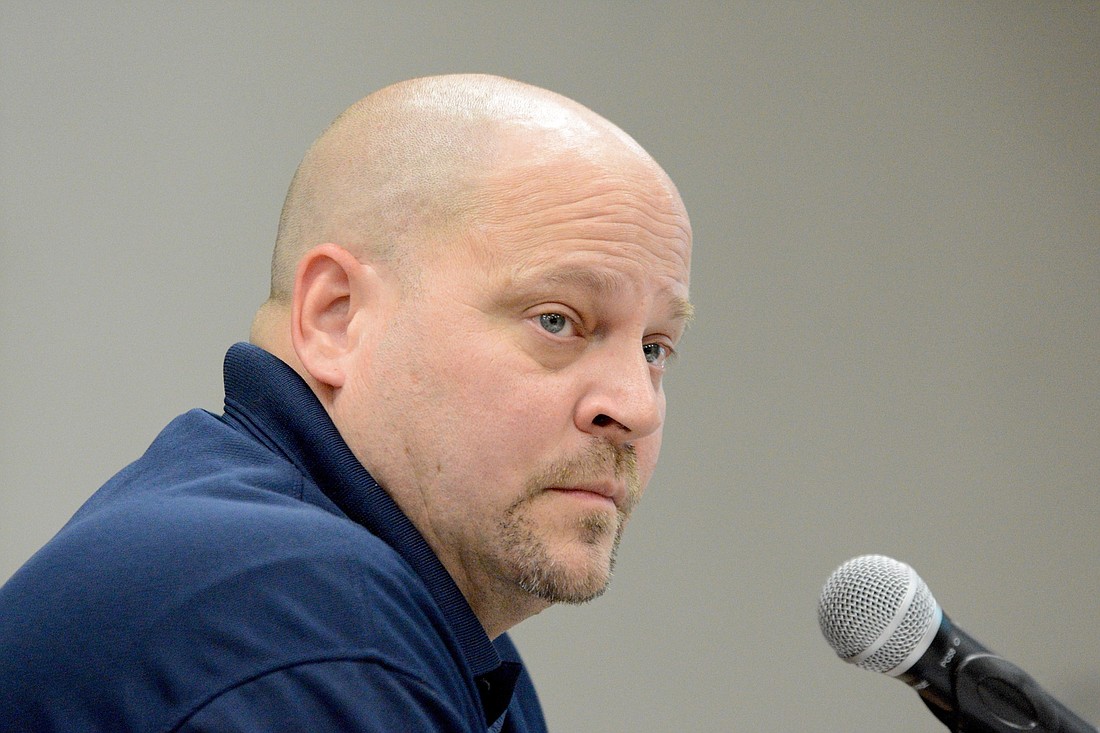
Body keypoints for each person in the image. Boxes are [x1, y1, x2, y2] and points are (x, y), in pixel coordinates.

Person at [0, 73, 693, 731]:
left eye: (655, 348)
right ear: (336, 317)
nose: (636, 406)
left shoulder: (444, 645)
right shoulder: (303, 621)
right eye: (556, 320)